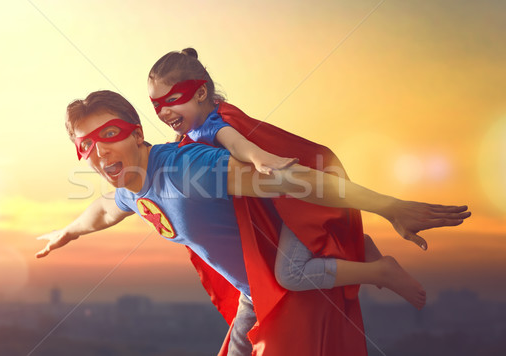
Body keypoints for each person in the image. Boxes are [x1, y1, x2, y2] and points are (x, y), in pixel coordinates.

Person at [36, 90, 470, 356]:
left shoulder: (190, 170)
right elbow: (107, 209)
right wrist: (67, 232)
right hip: (254, 297)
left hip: (292, 290)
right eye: (84, 145)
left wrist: (388, 205)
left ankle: (374, 267)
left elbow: (293, 182)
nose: (97, 152)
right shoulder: (132, 186)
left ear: (135, 133)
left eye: (108, 135)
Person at [147, 48, 427, 307]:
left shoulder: (213, 126)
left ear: (200, 93)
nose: (163, 112)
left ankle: (380, 272)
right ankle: (357, 247)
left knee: (291, 274)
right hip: (284, 203)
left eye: (172, 100)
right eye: (156, 105)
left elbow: (236, 143)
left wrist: (257, 157)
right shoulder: (193, 132)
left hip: (302, 197)